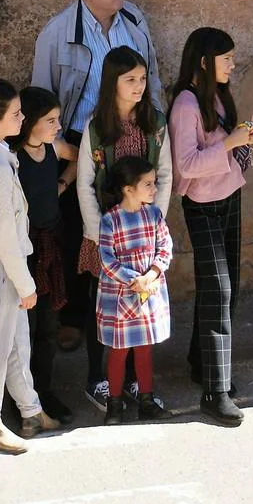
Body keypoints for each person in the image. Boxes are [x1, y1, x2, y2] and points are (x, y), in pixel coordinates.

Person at [31, 0, 163, 352]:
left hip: (128, 134)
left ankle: (128, 305)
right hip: (77, 139)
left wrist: (155, 130)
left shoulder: (135, 24)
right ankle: (74, 318)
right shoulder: (57, 33)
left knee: (127, 227)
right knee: (78, 232)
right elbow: (41, 94)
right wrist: (57, 147)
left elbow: (151, 77)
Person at [0, 79, 60, 454]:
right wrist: (26, 284)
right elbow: (4, 234)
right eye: (16, 114)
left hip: (0, 264)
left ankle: (30, 410)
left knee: (16, 341)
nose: (22, 118)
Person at [167, 28, 253, 426]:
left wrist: (240, 141)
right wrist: (230, 143)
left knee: (227, 287)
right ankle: (215, 392)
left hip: (230, 195)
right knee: (218, 291)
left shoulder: (215, 95)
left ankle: (202, 364)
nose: (233, 65)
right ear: (204, 62)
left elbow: (221, 146)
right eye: (227, 59)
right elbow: (185, 164)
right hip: (203, 205)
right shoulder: (186, 105)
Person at [77, 47, 173, 414]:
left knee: (142, 304)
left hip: (145, 232)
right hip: (106, 231)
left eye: (142, 79)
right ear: (112, 83)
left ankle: (136, 382)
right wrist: (97, 229)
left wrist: (154, 220)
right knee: (103, 306)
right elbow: (85, 182)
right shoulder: (97, 127)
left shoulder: (156, 122)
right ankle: (97, 380)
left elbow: (164, 174)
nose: (138, 86)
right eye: (129, 80)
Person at [11, 86, 80, 426]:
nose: (57, 126)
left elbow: (77, 157)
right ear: (28, 123)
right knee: (25, 327)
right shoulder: (12, 157)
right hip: (23, 250)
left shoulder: (54, 146)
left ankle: (44, 391)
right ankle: (21, 398)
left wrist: (63, 184)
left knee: (50, 326)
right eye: (50, 120)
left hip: (51, 244)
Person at [96, 156, 175, 425]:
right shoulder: (110, 221)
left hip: (147, 292)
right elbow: (107, 259)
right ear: (128, 189)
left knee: (144, 347)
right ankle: (114, 405)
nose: (154, 189)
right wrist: (134, 279)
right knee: (119, 350)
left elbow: (165, 247)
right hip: (121, 295)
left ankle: (146, 400)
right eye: (148, 184)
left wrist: (151, 274)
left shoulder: (153, 215)